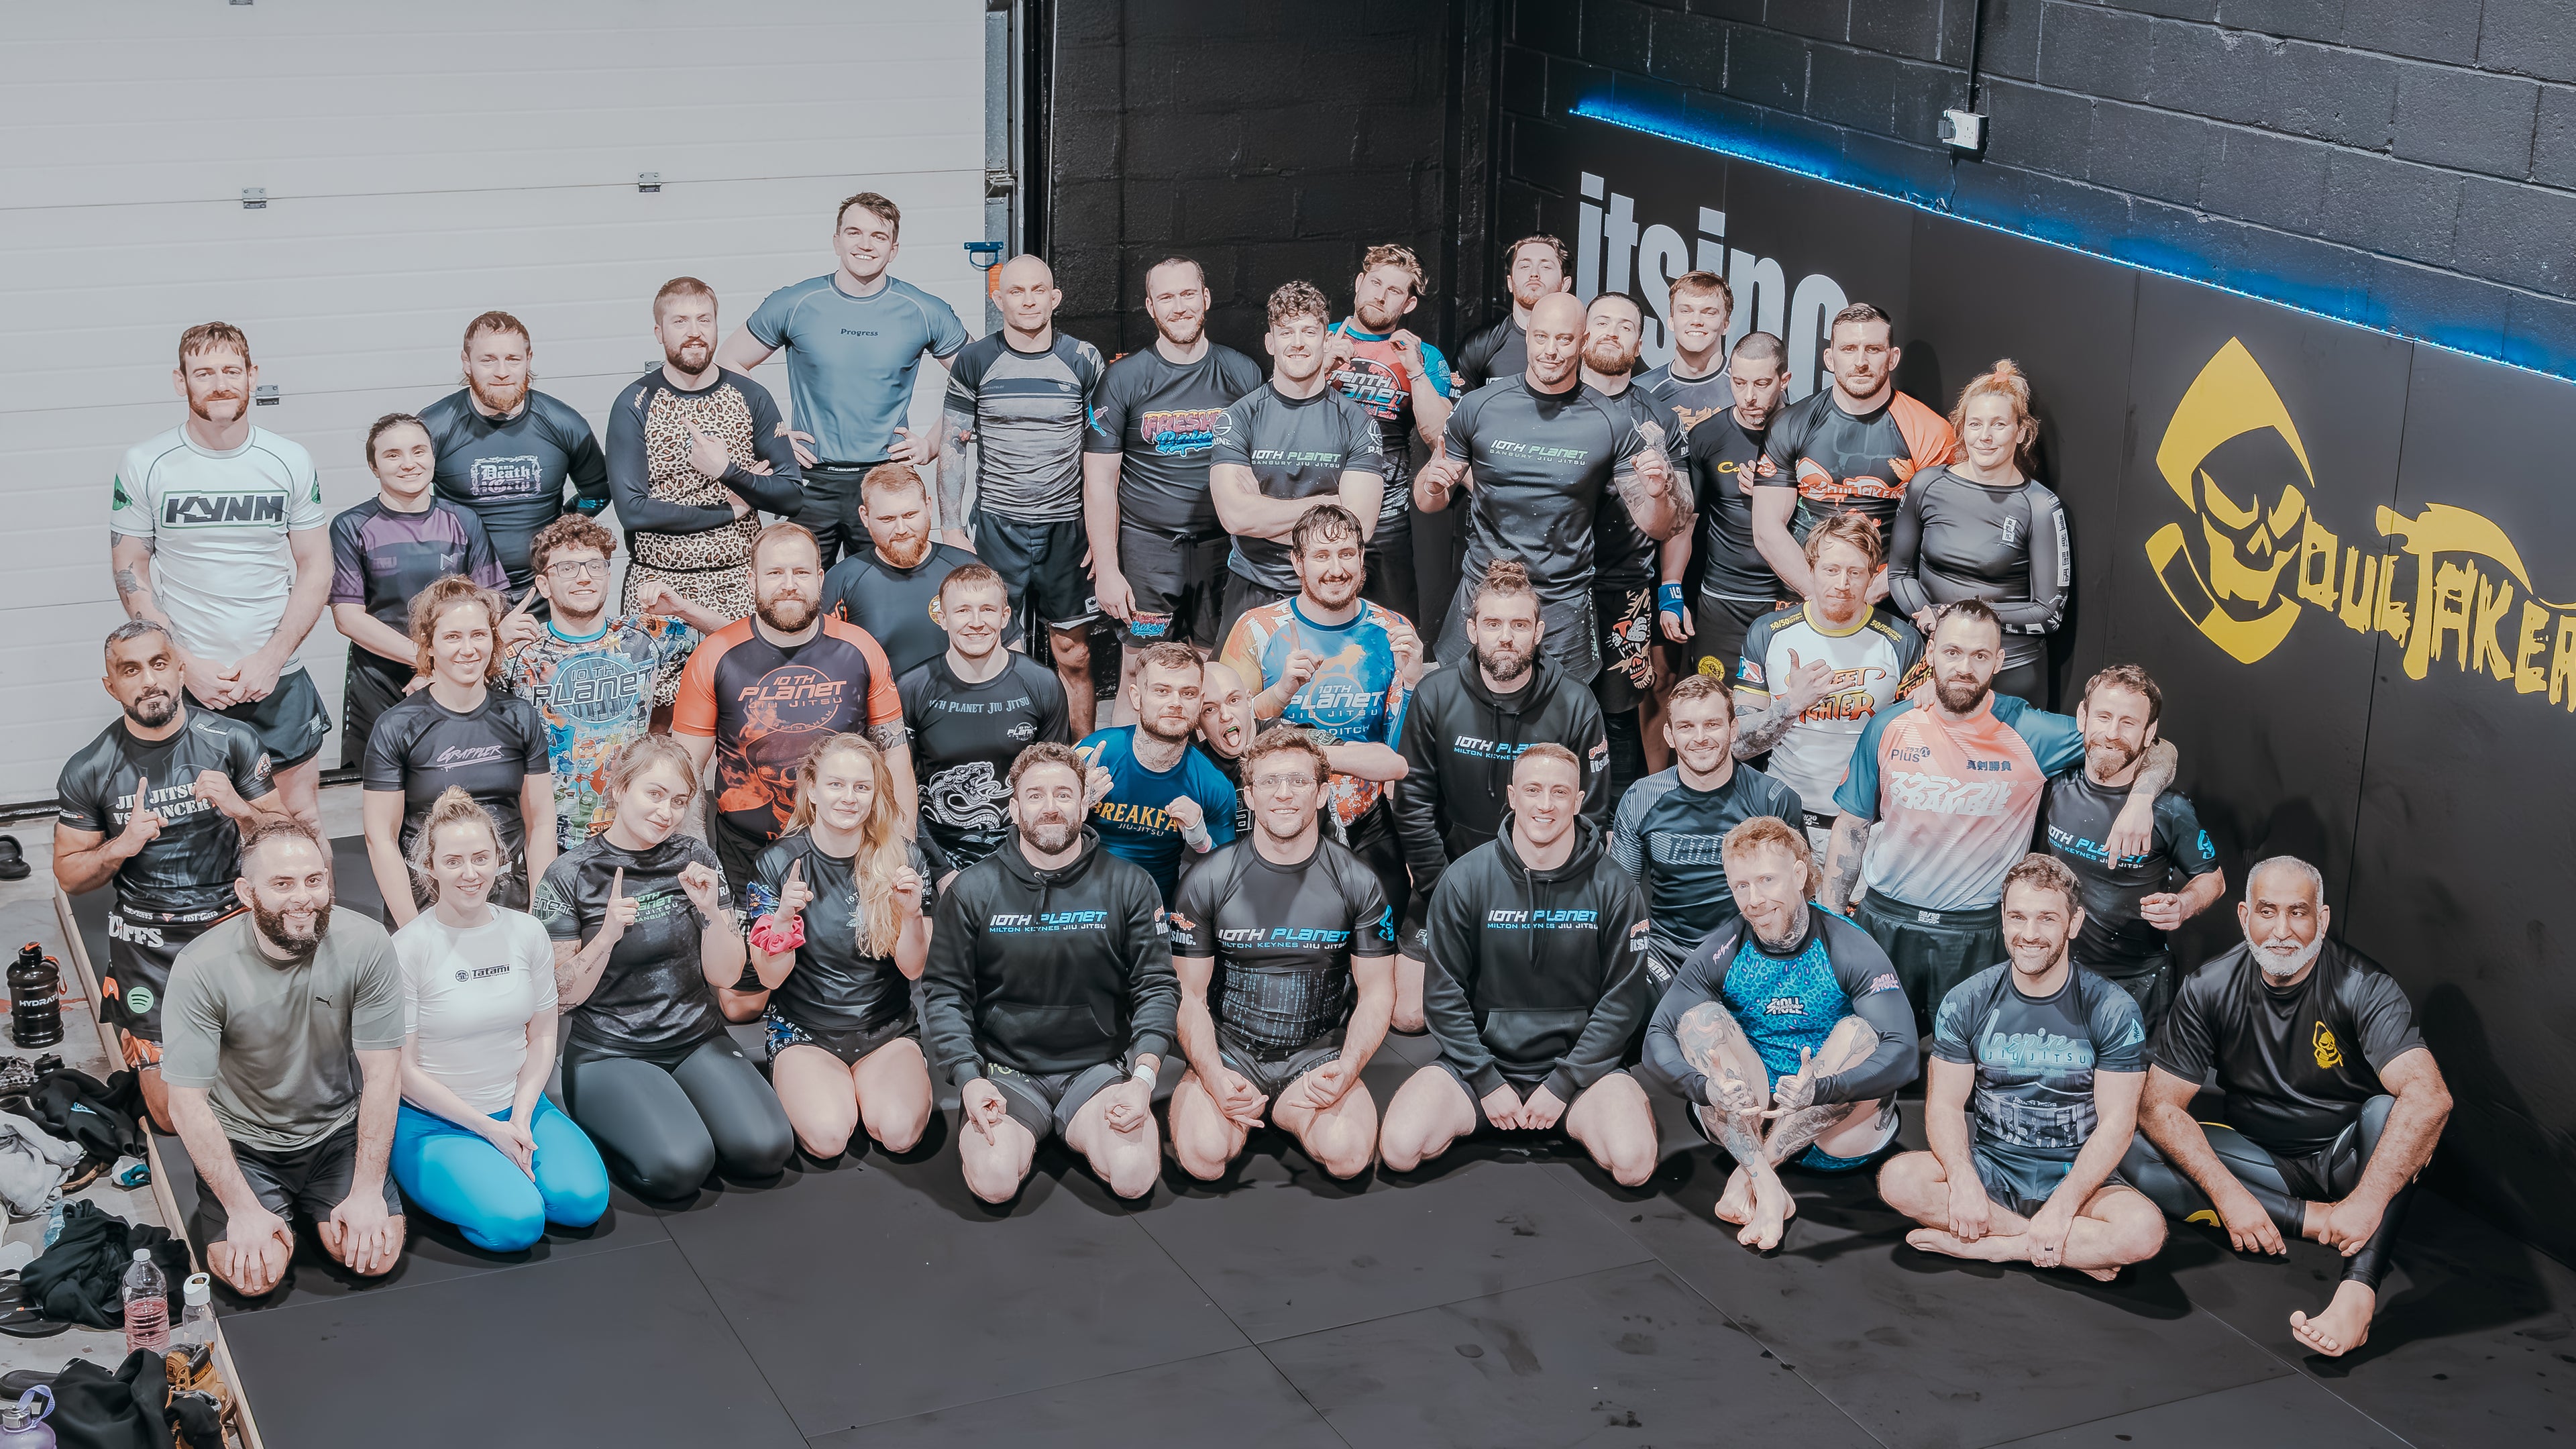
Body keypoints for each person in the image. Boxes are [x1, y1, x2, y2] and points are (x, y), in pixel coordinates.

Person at [2123, 857, 2453, 1358]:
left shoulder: (2362, 984)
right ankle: (2313, 1220)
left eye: (2298, 913)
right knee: (2131, 1139)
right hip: (2263, 1162)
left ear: (2321, 919)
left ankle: (2357, 1293)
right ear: (2243, 917)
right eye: (2267, 912)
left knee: (2393, 1112)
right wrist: (2230, 1196)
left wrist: (2365, 1202)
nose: (2282, 931)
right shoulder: (2209, 987)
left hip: (2350, 1163)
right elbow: (2159, 1106)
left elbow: (2431, 1097)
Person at [1819, 600, 2173, 1021]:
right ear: (1930, 652)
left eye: (1980, 655)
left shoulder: (2031, 732)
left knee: (1971, 1065)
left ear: (1999, 661)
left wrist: (2139, 800)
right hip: (1887, 922)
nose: (1964, 667)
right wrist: (1832, 920)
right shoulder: (1890, 725)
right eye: (1952, 652)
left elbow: (2158, 747)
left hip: (1977, 932)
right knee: (1873, 1058)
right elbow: (1852, 827)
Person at [1377, 746, 1658, 1187]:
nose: (1545, 805)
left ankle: (1592, 1111)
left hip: (1580, 1073)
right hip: (1482, 1068)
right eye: (1533, 790)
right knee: (1399, 1149)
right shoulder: (1466, 879)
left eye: (1559, 792)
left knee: (1634, 1165)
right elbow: (1443, 995)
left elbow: (1623, 1001)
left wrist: (1563, 1085)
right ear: (1512, 796)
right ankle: (1494, 1109)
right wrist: (1487, 1082)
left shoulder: (1616, 888)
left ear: (1578, 800)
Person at [1878, 855, 2166, 1279]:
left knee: (2143, 1232)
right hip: (1991, 1165)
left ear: (2074, 923)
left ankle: (1995, 1249)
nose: (2029, 935)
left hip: (2077, 1173)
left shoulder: (2113, 1008)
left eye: (2047, 919)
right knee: (1898, 1179)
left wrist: (2065, 1205)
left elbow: (2117, 1124)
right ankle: (2052, 1247)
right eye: (2018, 917)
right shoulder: (1967, 999)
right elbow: (1943, 1107)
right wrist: (1962, 1181)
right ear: (2003, 919)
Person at [1642, 816, 1919, 1250]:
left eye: (1767, 880)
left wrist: (1824, 1087)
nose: (1754, 899)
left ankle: (1752, 1175)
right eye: (1741, 886)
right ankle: (1769, 1192)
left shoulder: (1847, 945)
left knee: (1858, 1031)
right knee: (1701, 1019)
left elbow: (1904, 1053)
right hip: (1747, 1117)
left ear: (1799, 874)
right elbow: (1657, 1034)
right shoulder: (1723, 948)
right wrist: (1705, 1086)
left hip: (1830, 1128)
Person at [534, 737, 795, 1196]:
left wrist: (713, 914)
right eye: (653, 794)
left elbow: (726, 976)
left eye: (678, 801)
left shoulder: (695, 858)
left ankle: (676, 1110)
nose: (666, 812)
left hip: (697, 1038)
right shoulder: (570, 873)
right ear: (618, 789)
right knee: (681, 1167)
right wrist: (606, 939)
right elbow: (560, 997)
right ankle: (618, 1123)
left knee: (765, 1149)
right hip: (611, 1052)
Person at [921, 741, 1179, 1203]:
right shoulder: (972, 891)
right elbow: (945, 993)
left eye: (1064, 794)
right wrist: (969, 1077)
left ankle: (1080, 1125)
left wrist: (1142, 1080)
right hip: (1005, 1072)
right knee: (995, 1183)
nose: (1051, 807)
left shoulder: (1130, 884)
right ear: (1015, 809)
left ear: (1084, 803)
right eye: (1035, 796)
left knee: (1134, 1176)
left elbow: (1156, 985)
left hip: (1098, 1070)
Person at [55, 621, 284, 1132]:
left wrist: (240, 810)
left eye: (159, 664)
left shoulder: (232, 741)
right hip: (148, 946)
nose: (148, 680)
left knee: (278, 1086)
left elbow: (288, 837)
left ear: (180, 670)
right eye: (130, 670)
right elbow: (69, 874)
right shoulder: (89, 768)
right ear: (111, 686)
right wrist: (122, 845)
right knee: (170, 1118)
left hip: (234, 926)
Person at [162, 820, 406, 1295]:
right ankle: (274, 1214)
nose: (303, 897)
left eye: (314, 880)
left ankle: (316, 1214)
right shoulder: (200, 968)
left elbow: (383, 1073)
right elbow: (186, 1104)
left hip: (335, 1134)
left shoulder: (367, 943)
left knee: (375, 1258)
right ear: (246, 893)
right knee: (256, 1278)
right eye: (282, 884)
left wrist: (367, 1190)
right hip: (246, 1145)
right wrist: (242, 1209)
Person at [111, 322, 333, 825]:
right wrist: (185, 665)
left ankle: (307, 908)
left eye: (232, 370)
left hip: (280, 677)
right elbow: (130, 568)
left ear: (252, 376)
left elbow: (317, 565)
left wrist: (272, 659)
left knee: (300, 816)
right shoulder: (146, 463)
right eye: (204, 372)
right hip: (193, 681)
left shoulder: (290, 460)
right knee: (204, 825)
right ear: (179, 380)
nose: (219, 384)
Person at [1415, 291, 1688, 684]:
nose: (1551, 351)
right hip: (1484, 592)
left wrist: (1659, 493)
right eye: (1541, 337)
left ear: (1583, 342)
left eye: (1564, 340)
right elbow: (1429, 503)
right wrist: (1433, 484)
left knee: (1558, 730)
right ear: (1527, 336)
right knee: (1462, 717)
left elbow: (1660, 527)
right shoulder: (1479, 406)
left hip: (1562, 603)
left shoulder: (1611, 420)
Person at [1168, 728, 1397, 1181]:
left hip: (1318, 1054)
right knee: (1203, 1157)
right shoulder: (1207, 879)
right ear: (1249, 797)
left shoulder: (1359, 882)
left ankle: (1282, 1109)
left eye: (1298, 782)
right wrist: (1213, 1075)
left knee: (1349, 1157)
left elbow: (1377, 993)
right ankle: (1249, 1102)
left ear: (1321, 793)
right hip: (1230, 1052)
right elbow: (1187, 996)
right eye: (1270, 783)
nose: (1284, 794)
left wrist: (1347, 1068)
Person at [1390, 560, 1608, 1032]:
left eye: (1519, 624)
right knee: (1409, 1017)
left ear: (1539, 631)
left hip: (1544, 889)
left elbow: (1591, 814)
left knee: (1543, 1013)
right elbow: (1412, 805)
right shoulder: (1434, 694)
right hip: (1447, 880)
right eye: (1492, 624)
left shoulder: (1575, 703)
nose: (1505, 636)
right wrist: (1447, 891)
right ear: (1471, 630)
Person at [390, 789, 610, 1252]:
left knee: (583, 1202)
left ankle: (505, 1157)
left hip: (520, 1107)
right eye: (453, 861)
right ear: (429, 866)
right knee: (517, 1224)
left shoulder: (526, 931)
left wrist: (523, 1116)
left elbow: (544, 1033)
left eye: (480, 858)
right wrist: (489, 1129)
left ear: (499, 860)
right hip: (436, 1123)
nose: (470, 874)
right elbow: (402, 1072)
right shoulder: (408, 947)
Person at [721, 191, 969, 567]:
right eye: (854, 233)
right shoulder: (796, 302)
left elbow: (979, 382)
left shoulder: (924, 310)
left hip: (884, 485)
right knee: (797, 599)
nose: (865, 245)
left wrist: (932, 443)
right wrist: (772, 435)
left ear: (894, 249)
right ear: (836, 241)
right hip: (809, 483)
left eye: (879, 237)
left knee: (881, 603)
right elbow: (729, 361)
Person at [674, 523, 912, 902]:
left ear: (819, 578)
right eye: (775, 573)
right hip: (744, 850)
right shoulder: (714, 655)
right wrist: (697, 859)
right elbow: (682, 772)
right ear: (752, 580)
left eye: (801, 572)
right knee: (754, 961)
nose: (789, 584)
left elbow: (894, 756)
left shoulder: (860, 648)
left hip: (847, 850)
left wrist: (901, 852)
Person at [1216, 502, 1423, 936]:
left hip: (1366, 818)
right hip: (1281, 818)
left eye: (1347, 554)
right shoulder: (1258, 628)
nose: (1336, 569)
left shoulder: (1393, 630)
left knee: (1377, 952)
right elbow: (1226, 735)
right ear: (1297, 562)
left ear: (1362, 558)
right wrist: (1278, 694)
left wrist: (1411, 682)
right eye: (1321, 556)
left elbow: (1402, 752)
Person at [605, 276, 806, 697]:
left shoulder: (751, 396)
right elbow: (634, 510)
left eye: (704, 320)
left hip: (738, 583)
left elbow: (791, 494)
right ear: (659, 332)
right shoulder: (635, 403)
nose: (694, 332)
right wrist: (729, 510)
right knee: (658, 716)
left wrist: (729, 471)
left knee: (753, 706)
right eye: (680, 321)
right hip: (659, 584)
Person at [742, 735, 936, 1161]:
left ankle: (884, 1081)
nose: (849, 798)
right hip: (805, 1032)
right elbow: (771, 977)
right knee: (828, 1138)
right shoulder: (777, 864)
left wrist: (910, 915)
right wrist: (782, 920)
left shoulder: (904, 859)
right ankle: (822, 1084)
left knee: (901, 1134)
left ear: (874, 795)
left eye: (861, 787)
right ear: (811, 788)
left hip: (886, 1031)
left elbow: (914, 969)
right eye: (836, 785)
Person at [936, 254, 1105, 734]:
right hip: (996, 527)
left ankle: (1083, 767)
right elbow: (952, 445)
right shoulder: (975, 360)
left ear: (1054, 298)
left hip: (1066, 529)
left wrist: (1101, 536)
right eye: (1016, 291)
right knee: (994, 652)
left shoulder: (1083, 359)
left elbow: (1103, 455)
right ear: (998, 300)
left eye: (1038, 291)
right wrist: (950, 527)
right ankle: (1001, 762)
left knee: (1073, 656)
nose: (1028, 300)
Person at [501, 515, 723, 849]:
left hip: (636, 828)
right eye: (568, 568)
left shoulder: (645, 634)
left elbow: (742, 639)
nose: (584, 577)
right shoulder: (521, 652)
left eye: (595, 566)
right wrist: (493, 643)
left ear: (608, 574)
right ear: (544, 584)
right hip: (551, 836)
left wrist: (682, 609)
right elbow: (431, 686)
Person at [1081, 256, 1265, 662]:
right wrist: (1109, 570)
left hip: (1223, 549)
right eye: (1166, 297)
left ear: (1206, 298)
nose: (1179, 307)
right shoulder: (1123, 378)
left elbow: (1262, 468)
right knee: (1140, 669)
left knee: (1216, 665)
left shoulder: (1242, 372)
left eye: (1187, 294)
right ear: (1150, 307)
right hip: (1149, 551)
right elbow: (1099, 480)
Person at [362, 577, 554, 922]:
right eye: (452, 636)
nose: (468, 649)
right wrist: (413, 931)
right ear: (429, 645)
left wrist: (540, 914)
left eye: (479, 635)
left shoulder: (520, 716)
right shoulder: (397, 726)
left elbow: (540, 823)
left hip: (509, 899)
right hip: (427, 903)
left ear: (494, 641)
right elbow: (381, 839)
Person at [1730, 512, 1922, 857]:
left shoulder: (1902, 641)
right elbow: (1738, 745)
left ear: (1873, 576)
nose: (1842, 584)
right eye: (1831, 570)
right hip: (1782, 823)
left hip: (1868, 828)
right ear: (1812, 569)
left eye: (1855, 572)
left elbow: (1918, 750)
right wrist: (1791, 705)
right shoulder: (1769, 633)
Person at [2043, 665, 2223, 1033]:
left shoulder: (2169, 810)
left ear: (2149, 732)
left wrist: (2185, 905)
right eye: (2104, 717)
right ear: (2083, 716)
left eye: (2128, 722)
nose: (2112, 734)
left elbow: (2213, 880)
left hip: (2136, 983)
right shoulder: (2055, 782)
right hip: (2056, 973)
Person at [328, 413, 511, 768]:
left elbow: (491, 604)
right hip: (379, 680)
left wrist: (440, 665)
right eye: (393, 455)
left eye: (418, 451)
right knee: (383, 787)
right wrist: (425, 661)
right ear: (373, 465)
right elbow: (348, 618)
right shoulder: (351, 526)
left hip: (457, 673)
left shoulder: (464, 520)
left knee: (459, 779)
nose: (409, 464)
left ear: (432, 456)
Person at [1208, 281, 1387, 644]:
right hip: (1252, 586)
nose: (1298, 342)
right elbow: (1236, 517)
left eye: (1309, 331)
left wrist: (1263, 515)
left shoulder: (1357, 422)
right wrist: (1333, 507)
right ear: (1270, 343)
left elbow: (1361, 527)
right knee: (1240, 698)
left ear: (1327, 339)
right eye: (1286, 332)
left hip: (1328, 591)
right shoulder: (1239, 417)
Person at [1886, 360, 2070, 704]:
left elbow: (2049, 613)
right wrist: (1933, 623)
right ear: (1962, 428)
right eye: (1975, 424)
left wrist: (1954, 618)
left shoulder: (2040, 506)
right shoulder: (1926, 484)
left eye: (1999, 424)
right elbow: (1899, 573)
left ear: (2022, 432)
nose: (1985, 436)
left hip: (2009, 672)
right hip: (1934, 663)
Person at [1609, 674, 1805, 982]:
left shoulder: (1774, 800)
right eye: (1687, 727)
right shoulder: (1640, 798)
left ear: (1734, 728)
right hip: (1666, 956)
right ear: (1670, 735)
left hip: (1751, 955)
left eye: (1712, 724)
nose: (1700, 737)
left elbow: (1799, 899)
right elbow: (1619, 898)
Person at [1756, 303, 1957, 600]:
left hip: (1886, 602)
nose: (1860, 362)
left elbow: (1936, 535)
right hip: (1804, 597)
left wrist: (1864, 599)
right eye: (1849, 349)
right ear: (1829, 358)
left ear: (1893, 358)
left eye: (1873, 349)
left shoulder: (1932, 431)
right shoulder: (1789, 424)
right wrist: (1822, 597)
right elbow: (1767, 529)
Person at [417, 310, 611, 604]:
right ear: (466, 362)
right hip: (463, 593)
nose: (502, 371)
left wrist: (560, 530)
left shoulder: (564, 422)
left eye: (513, 359)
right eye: (488, 360)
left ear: (528, 359)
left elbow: (598, 492)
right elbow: (406, 506)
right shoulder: (434, 427)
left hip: (546, 592)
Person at [901, 565, 1074, 880]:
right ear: (942, 618)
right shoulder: (912, 688)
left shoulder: (1042, 684)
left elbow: (1053, 778)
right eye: (963, 611)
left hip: (1019, 848)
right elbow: (898, 791)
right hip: (933, 848)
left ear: (1005, 616)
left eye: (988, 610)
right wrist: (941, 873)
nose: (977, 623)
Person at [1325, 243, 1454, 621]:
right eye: (1375, 283)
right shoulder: (1317, 338)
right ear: (1359, 283)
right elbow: (1273, 416)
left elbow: (1439, 436)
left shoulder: (1423, 355)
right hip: (1318, 500)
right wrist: (1321, 368)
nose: (1380, 296)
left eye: (1395, 290)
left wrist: (1414, 371)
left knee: (1392, 629)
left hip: (1387, 514)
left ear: (1409, 305)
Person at [1574, 292, 1670, 799]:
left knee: (1620, 717)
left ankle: (1623, 837)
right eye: (1602, 322)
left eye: (1626, 326)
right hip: (1553, 586)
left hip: (1625, 588)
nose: (1613, 332)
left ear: (1639, 341)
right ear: (1583, 333)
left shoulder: (1657, 419)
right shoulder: (1549, 399)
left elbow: (1674, 521)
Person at [1661, 331, 1794, 680]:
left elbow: (1828, 517)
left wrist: (1778, 495)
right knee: (1719, 712)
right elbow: (1685, 521)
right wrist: (1671, 588)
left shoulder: (1806, 433)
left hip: (1788, 599)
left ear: (1785, 380)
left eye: (1762, 384)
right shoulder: (1708, 435)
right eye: (1738, 383)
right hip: (1722, 601)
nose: (1748, 397)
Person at [1075, 643, 1240, 904]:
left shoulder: (1212, 784)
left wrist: (1201, 839)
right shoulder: (1095, 753)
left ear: (1199, 701)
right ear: (1137, 697)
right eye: (1162, 691)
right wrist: (1075, 806)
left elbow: (1227, 881)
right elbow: (1031, 833)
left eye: (1188, 693)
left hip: (1155, 917)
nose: (1175, 703)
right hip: (1082, 907)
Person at [818, 462, 980, 679]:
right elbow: (821, 660)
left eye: (910, 515)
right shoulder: (843, 579)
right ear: (865, 517)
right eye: (887, 519)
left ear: (928, 506)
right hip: (881, 710)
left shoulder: (966, 569)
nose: (901, 530)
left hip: (959, 707)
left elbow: (1008, 645)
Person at [1451, 234, 1572, 392]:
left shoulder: (1582, 348)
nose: (1534, 273)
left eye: (1546, 266)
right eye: (1525, 266)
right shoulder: (1478, 346)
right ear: (1510, 283)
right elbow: (1459, 414)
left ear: (1565, 284)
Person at [1194, 659, 1256, 837]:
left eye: (1234, 700)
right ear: (1197, 722)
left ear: (1249, 701)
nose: (1226, 715)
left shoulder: (1283, 736)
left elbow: (1343, 754)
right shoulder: (1193, 765)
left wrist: (1296, 752)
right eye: (1210, 710)